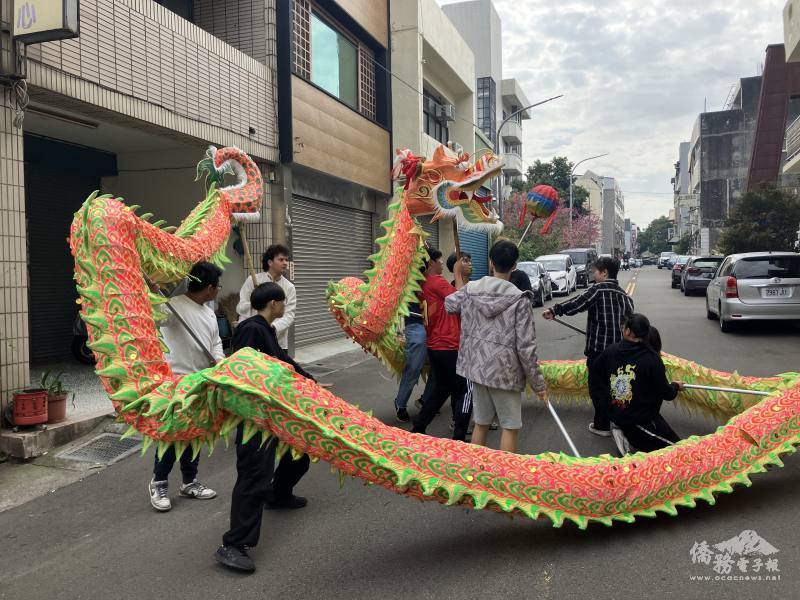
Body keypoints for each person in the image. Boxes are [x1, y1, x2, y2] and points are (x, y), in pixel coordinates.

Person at [215, 282, 315, 573]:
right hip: (255, 419)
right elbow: (243, 370)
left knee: (299, 455)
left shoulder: (266, 330)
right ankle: (233, 545)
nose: (285, 306)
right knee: (254, 476)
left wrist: (309, 380)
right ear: (274, 303)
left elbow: (283, 362)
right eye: (283, 302)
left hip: (276, 411)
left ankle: (279, 494)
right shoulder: (250, 329)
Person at [445, 240, 549, 453]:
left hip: (478, 368)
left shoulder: (471, 290)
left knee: (481, 422)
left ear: (491, 262)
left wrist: (458, 277)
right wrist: (539, 385)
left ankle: (476, 475)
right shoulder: (520, 300)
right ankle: (503, 480)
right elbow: (526, 348)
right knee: (510, 427)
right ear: (515, 266)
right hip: (505, 374)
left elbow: (449, 304)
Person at [149, 261, 224, 512]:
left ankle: (189, 481)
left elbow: (215, 343)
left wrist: (220, 362)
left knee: (196, 434)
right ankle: (158, 482)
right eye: (218, 287)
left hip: (202, 380)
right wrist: (151, 291)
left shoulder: (210, 312)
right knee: (172, 435)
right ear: (210, 287)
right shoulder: (173, 306)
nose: (218, 291)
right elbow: (154, 316)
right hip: (177, 381)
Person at [542, 256, 633, 437]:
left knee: (598, 388)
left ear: (604, 272)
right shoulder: (625, 296)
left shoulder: (598, 290)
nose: (593, 275)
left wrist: (554, 310)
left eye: (595, 272)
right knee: (617, 387)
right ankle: (619, 422)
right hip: (621, 352)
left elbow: (577, 303)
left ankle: (602, 425)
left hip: (599, 351)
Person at [592, 314, 683, 452]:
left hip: (619, 414)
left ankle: (626, 433)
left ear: (628, 331)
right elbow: (666, 393)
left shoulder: (610, 351)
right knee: (678, 451)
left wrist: (606, 406)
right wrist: (676, 386)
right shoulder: (652, 359)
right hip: (639, 421)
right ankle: (628, 439)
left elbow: (595, 377)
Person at [411, 248, 471, 441]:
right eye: (440, 260)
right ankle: (460, 436)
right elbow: (461, 300)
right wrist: (457, 273)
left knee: (442, 389)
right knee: (463, 389)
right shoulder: (436, 281)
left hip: (437, 344)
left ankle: (419, 427)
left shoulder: (422, 283)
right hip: (447, 344)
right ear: (431, 263)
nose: (442, 263)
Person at [393, 254, 436, 423]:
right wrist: (399, 331)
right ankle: (401, 403)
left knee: (440, 366)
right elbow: (396, 304)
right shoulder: (404, 279)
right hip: (414, 326)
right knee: (414, 367)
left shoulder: (431, 280)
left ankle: (427, 399)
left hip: (431, 327)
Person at [236, 244, 296, 352]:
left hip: (278, 342)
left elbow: (289, 315)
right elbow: (240, 308)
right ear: (270, 262)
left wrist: (271, 329)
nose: (285, 263)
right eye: (281, 259)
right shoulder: (253, 280)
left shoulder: (289, 287)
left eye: (286, 260)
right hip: (253, 341)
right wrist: (257, 302)